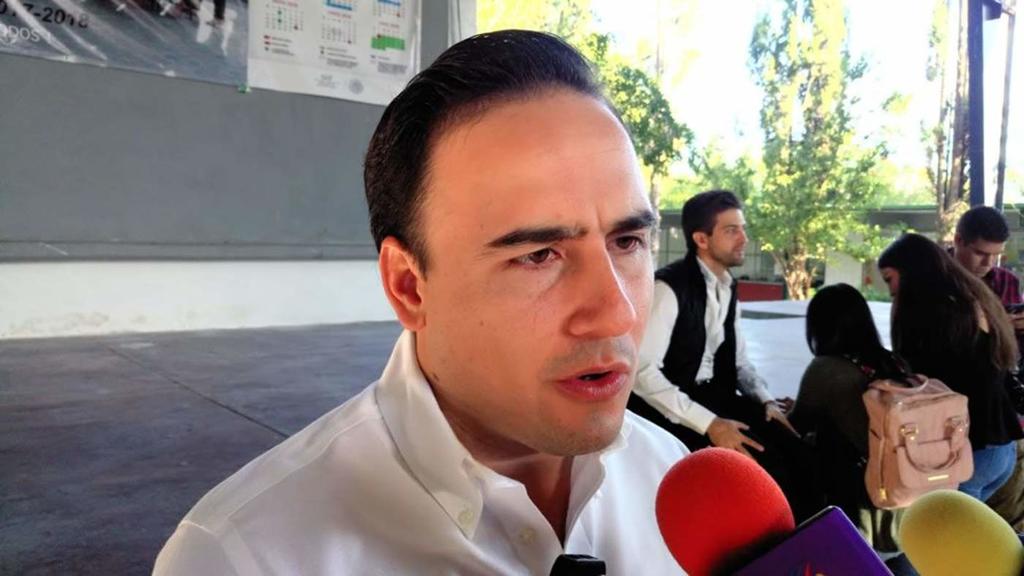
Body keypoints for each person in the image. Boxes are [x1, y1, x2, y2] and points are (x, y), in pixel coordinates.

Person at [152, 30, 688, 575]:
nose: (617, 314)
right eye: (538, 256)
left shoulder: (670, 478)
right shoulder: (245, 557)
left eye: (627, 242)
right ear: (409, 286)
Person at [628, 190, 809, 517]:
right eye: (731, 230)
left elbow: (739, 363)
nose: (744, 239)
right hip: (667, 409)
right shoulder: (668, 288)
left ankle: (816, 539)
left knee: (796, 448)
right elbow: (642, 374)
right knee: (761, 473)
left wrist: (766, 401)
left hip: (714, 395)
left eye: (743, 229)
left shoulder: (727, 285)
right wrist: (710, 424)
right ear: (701, 239)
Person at [878, 233, 1024, 502]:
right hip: (1001, 448)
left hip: (970, 449)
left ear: (910, 272)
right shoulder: (969, 299)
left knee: (947, 527)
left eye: (890, 279)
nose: (890, 290)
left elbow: (918, 380)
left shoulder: (933, 314)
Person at [789, 284, 908, 554]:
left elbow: (796, 427)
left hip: (859, 500)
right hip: (901, 492)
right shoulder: (892, 362)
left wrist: (772, 410)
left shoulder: (826, 368)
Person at [950, 205, 1024, 530]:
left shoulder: (1006, 281)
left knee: (1008, 518)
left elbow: (1012, 357)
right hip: (957, 418)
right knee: (960, 524)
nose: (989, 263)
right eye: (981, 253)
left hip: (1005, 415)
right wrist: (994, 325)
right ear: (958, 241)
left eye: (996, 255)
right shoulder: (936, 280)